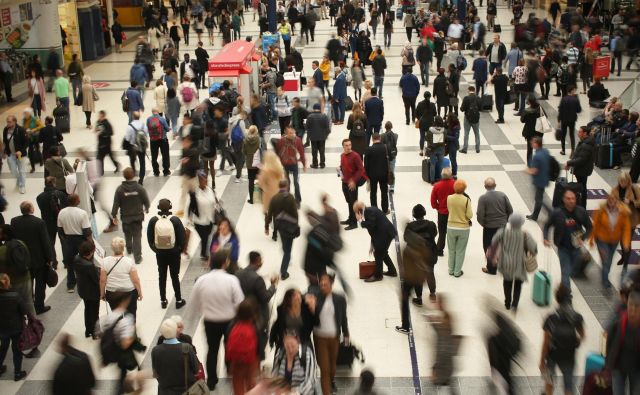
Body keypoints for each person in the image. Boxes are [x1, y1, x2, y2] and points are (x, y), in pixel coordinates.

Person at [189, 250, 244, 391]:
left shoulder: (202, 280)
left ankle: (212, 380)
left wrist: (201, 312)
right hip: (229, 322)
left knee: (212, 350)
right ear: (224, 263)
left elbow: (193, 303)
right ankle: (229, 372)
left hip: (210, 321)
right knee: (229, 348)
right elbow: (240, 302)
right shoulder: (232, 280)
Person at [397, 204, 438, 334]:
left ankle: (418, 298)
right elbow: (434, 234)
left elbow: (405, 238)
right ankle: (431, 293)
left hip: (414, 266)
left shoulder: (410, 229)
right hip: (430, 253)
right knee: (429, 271)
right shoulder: (431, 225)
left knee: (415, 274)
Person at [96, 290, 145, 395]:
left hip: (112, 353)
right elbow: (125, 344)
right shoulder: (127, 319)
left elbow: (100, 334)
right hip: (123, 356)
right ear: (123, 301)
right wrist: (133, 333)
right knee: (128, 379)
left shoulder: (105, 318)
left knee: (121, 377)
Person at [543, 189, 592, 294]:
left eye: (573, 198)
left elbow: (589, 227)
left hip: (576, 248)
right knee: (565, 272)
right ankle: (566, 295)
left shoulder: (581, 212)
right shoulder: (557, 213)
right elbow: (547, 225)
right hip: (563, 247)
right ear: (563, 199)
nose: (571, 201)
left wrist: (583, 238)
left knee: (570, 271)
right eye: (568, 198)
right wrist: (546, 238)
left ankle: (564, 288)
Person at [539, 285, 585, 395]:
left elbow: (546, 342)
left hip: (552, 354)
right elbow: (582, 335)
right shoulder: (576, 316)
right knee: (568, 385)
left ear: (556, 298)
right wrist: (576, 342)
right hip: (569, 354)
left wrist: (541, 360)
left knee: (549, 381)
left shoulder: (551, 318)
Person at [309, 273, 349, 395]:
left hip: (334, 337)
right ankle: (327, 392)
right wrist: (312, 307)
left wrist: (346, 333)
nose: (322, 286)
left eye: (325, 284)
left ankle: (331, 381)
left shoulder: (339, 299)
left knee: (332, 366)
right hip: (320, 338)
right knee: (324, 369)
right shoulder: (315, 297)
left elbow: (343, 317)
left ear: (331, 284)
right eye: (321, 284)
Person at [10, 202, 53, 315]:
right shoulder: (39, 222)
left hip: (22, 259)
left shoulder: (14, 221)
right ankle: (39, 306)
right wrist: (50, 258)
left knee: (27, 284)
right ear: (31, 209)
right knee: (40, 284)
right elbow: (45, 242)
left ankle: (27, 305)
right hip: (38, 259)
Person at [489, 213, 537, 310]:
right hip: (519, 263)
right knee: (518, 284)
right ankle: (515, 304)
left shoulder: (503, 232)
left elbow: (493, 241)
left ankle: (507, 302)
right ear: (521, 223)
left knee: (507, 282)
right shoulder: (525, 235)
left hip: (506, 262)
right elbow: (534, 247)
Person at [236, 251, 277, 361]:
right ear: (257, 261)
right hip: (258, 316)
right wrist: (273, 286)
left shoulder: (238, 274)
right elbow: (265, 297)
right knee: (259, 341)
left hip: (242, 313)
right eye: (261, 260)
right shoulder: (257, 279)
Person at [147, 199, 187, 309]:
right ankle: (178, 300)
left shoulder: (153, 220)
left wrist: (157, 250)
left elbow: (150, 239)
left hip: (160, 254)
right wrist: (178, 250)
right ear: (170, 207)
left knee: (162, 276)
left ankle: (163, 300)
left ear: (158, 208)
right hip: (174, 254)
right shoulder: (175, 220)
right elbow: (183, 239)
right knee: (175, 276)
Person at [589, 195, 631, 293]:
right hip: (602, 240)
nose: (612, 201)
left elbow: (626, 229)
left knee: (609, 261)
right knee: (606, 261)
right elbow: (595, 226)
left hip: (614, 241)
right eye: (610, 199)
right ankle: (606, 284)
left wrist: (625, 243)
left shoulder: (623, 213)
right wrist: (591, 240)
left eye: (614, 199)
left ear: (617, 201)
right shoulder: (600, 211)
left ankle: (605, 277)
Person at [111, 167, 150, 265]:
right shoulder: (139, 188)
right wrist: (147, 208)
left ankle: (129, 249)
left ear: (124, 176)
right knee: (137, 237)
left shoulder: (119, 190)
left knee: (127, 234)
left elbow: (116, 203)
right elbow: (146, 201)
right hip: (137, 217)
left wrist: (114, 215)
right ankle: (137, 258)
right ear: (133, 175)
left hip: (126, 218)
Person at [99, 236, 143, 319]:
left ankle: (118, 331)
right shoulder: (129, 261)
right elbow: (135, 280)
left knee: (116, 316)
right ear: (123, 248)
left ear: (112, 248)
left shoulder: (105, 261)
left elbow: (102, 280)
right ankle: (131, 331)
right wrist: (140, 292)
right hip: (128, 292)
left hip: (112, 292)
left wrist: (102, 293)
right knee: (130, 315)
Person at [151, 318, 198, 394]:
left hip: (165, 391)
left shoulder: (156, 350)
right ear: (175, 331)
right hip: (187, 390)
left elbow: (156, 373)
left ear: (162, 333)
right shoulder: (186, 348)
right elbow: (196, 370)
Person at [606, 290, 640, 394]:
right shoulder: (618, 323)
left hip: (637, 368)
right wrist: (608, 365)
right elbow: (609, 344)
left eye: (637, 307)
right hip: (618, 366)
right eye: (630, 306)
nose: (632, 311)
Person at [477, 178, 513, 276]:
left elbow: (480, 214)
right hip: (502, 226)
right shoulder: (503, 195)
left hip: (489, 227)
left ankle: (492, 268)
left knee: (489, 247)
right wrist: (506, 221)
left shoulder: (483, 198)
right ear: (495, 185)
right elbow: (510, 210)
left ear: (485, 187)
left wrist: (483, 224)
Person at [355, 201, 398, 282]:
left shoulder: (369, 212)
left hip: (385, 234)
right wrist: (372, 245)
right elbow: (373, 230)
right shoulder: (369, 210)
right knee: (383, 252)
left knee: (378, 253)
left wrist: (360, 221)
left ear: (359, 211)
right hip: (385, 233)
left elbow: (371, 225)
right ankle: (392, 271)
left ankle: (378, 276)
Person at [57, 194, 92, 292]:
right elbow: (87, 231)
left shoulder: (62, 212)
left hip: (68, 239)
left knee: (70, 263)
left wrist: (65, 240)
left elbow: (60, 230)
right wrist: (91, 243)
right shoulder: (82, 213)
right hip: (81, 240)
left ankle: (70, 285)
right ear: (77, 201)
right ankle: (85, 283)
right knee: (84, 261)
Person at [265, 180, 299, 280]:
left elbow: (269, 213)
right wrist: (296, 225)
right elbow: (295, 213)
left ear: (279, 187)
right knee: (288, 251)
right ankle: (283, 272)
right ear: (287, 186)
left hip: (279, 226)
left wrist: (266, 227)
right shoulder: (290, 197)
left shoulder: (274, 198)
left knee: (285, 245)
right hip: (290, 227)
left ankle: (286, 255)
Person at [0, 273, 28, 381]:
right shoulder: (15, 296)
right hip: (16, 328)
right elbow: (24, 310)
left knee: (3, 347)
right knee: (17, 350)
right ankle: (17, 373)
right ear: (8, 283)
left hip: (2, 328)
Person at [37, 177, 66, 267]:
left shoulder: (39, 197)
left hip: (48, 223)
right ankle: (66, 262)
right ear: (54, 183)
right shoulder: (61, 194)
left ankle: (54, 262)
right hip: (61, 222)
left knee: (50, 243)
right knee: (64, 242)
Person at [447, 179, 473, 277]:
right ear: (464, 189)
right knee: (460, 250)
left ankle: (450, 270)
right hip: (463, 228)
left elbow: (449, 209)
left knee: (451, 249)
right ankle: (457, 271)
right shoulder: (466, 200)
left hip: (451, 227)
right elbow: (469, 215)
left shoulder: (449, 198)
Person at [74, 240, 100, 339]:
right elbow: (96, 279)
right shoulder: (89, 265)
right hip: (93, 292)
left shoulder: (77, 258)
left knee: (88, 310)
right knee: (95, 313)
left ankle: (88, 330)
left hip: (83, 290)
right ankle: (95, 333)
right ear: (90, 253)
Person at [565, 127, 595, 209]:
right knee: (582, 187)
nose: (578, 133)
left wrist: (569, 163)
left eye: (580, 132)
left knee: (582, 188)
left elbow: (582, 159)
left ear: (585, 133)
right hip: (583, 169)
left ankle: (582, 206)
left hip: (583, 170)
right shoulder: (586, 142)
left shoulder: (586, 144)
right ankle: (581, 205)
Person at [340, 139, 366, 230]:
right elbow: (342, 166)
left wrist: (354, 181)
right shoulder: (342, 155)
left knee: (353, 203)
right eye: (346, 145)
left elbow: (361, 169)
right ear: (343, 146)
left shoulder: (356, 156)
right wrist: (339, 170)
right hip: (344, 182)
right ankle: (350, 218)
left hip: (352, 184)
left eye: (350, 145)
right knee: (348, 201)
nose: (348, 147)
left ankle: (354, 223)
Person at [258, 151, 285, 239]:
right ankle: (275, 234)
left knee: (267, 213)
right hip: (278, 194)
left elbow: (261, 183)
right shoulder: (279, 168)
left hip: (268, 195)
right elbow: (283, 181)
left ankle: (266, 228)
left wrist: (265, 187)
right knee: (276, 215)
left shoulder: (265, 170)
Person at [526, 137, 552, 221]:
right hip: (545, 178)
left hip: (539, 180)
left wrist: (527, 171)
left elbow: (534, 171)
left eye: (533, 142)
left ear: (536, 144)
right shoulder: (545, 151)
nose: (531, 143)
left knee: (538, 199)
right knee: (539, 198)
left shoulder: (537, 156)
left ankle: (537, 215)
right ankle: (537, 214)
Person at [364, 133, 390, 214]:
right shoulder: (385, 148)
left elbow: (366, 164)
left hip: (372, 175)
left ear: (372, 139)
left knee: (373, 193)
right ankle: (385, 210)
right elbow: (391, 158)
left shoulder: (369, 149)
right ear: (380, 138)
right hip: (384, 175)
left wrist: (367, 175)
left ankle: (374, 210)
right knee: (384, 192)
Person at [3, 115, 28, 194]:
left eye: (9, 122)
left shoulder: (21, 130)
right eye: (7, 121)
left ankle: (22, 185)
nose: (8, 123)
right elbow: (5, 141)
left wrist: (21, 150)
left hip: (20, 155)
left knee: (21, 170)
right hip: (10, 154)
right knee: (13, 170)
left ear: (14, 121)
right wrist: (4, 152)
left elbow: (26, 142)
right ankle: (19, 180)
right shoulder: (5, 129)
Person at [123, 111, 148, 183]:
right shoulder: (143, 125)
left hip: (133, 146)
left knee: (132, 160)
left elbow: (127, 138)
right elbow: (146, 135)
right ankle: (141, 178)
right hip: (141, 146)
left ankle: (133, 174)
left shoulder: (130, 126)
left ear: (133, 117)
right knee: (142, 162)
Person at [146, 108, 172, 177]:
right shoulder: (162, 119)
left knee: (154, 156)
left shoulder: (148, 119)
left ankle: (156, 171)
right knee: (165, 155)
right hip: (163, 139)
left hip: (153, 140)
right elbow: (167, 128)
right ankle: (166, 171)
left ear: (152, 112)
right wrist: (168, 129)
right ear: (158, 112)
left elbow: (148, 129)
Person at [557, 86, 582, 156]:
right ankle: (573, 151)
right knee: (571, 135)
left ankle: (563, 150)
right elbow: (579, 110)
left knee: (563, 135)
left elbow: (560, 110)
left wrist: (558, 120)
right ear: (572, 91)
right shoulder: (575, 99)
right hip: (572, 119)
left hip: (564, 119)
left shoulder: (563, 99)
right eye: (574, 90)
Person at [306, 103, 331, 169]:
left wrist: (310, 135)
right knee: (322, 151)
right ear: (320, 108)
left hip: (313, 137)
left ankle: (315, 164)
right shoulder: (324, 116)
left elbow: (307, 127)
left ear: (313, 108)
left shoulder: (310, 117)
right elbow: (328, 128)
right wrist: (325, 136)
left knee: (314, 151)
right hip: (322, 137)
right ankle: (322, 164)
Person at [520, 96, 543, 165]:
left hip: (529, 131)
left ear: (529, 102)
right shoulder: (540, 108)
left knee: (529, 149)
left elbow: (522, 120)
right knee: (539, 148)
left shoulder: (527, 111)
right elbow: (545, 117)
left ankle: (529, 164)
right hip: (539, 131)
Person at [459, 86, 482, 154]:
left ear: (468, 90)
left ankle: (465, 149)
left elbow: (462, 109)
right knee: (477, 133)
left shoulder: (466, 98)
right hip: (476, 118)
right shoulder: (478, 98)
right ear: (474, 90)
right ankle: (477, 148)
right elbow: (481, 108)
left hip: (467, 118)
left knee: (466, 133)